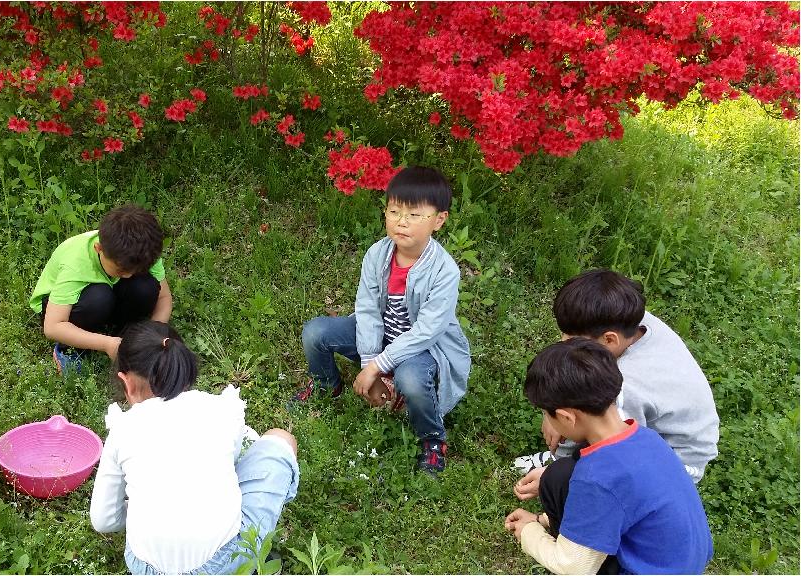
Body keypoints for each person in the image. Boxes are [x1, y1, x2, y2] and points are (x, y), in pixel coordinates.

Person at [294, 166, 471, 476]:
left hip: (422, 349)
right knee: (316, 331)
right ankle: (327, 386)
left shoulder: (444, 271)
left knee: (411, 379)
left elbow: (426, 332)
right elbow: (367, 310)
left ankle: (432, 438)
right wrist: (368, 363)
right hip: (380, 335)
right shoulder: (377, 254)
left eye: (414, 215)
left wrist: (378, 366)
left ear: (439, 220)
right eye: (394, 211)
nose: (402, 221)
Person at [89, 321, 299, 575]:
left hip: (146, 568)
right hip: (224, 562)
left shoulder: (123, 429)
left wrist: (140, 509)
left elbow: (103, 519)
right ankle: (254, 561)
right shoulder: (221, 410)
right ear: (182, 366)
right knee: (281, 439)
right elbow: (235, 462)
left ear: (126, 382)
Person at [504, 339, 713, 575]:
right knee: (559, 475)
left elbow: (572, 567)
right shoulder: (646, 437)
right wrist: (542, 519)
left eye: (546, 413)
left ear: (566, 417)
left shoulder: (596, 477)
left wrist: (529, 531)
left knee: (563, 482)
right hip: (680, 564)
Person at [513, 269, 719, 497]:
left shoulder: (627, 388)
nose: (563, 343)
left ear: (609, 339)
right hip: (672, 433)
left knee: (578, 474)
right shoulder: (633, 321)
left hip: (678, 464)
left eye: (572, 340)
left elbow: (610, 444)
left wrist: (556, 470)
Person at [29, 204, 173, 373]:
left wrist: (154, 331)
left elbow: (164, 298)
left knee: (145, 287)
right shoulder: (76, 264)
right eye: (120, 270)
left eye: (135, 271)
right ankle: (71, 350)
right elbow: (53, 326)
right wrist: (106, 344)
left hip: (108, 295)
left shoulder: (143, 253)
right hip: (61, 310)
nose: (127, 276)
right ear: (99, 249)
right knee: (99, 298)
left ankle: (125, 334)